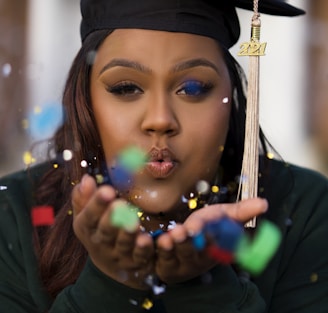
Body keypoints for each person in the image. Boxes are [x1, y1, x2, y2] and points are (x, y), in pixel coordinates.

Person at [0, 0, 327, 312]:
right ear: (84, 99)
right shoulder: (14, 215)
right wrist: (110, 284)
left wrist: (202, 285)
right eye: (126, 88)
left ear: (233, 93)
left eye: (194, 88)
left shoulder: (303, 211)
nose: (160, 119)